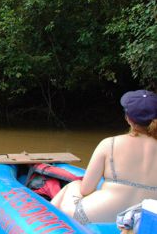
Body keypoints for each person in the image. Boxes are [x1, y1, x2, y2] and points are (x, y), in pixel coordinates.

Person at [51, 90, 157, 225]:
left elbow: (86, 189)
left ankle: (42, 226)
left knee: (74, 186)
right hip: (145, 221)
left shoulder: (109, 144)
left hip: (97, 216)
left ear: (128, 118)